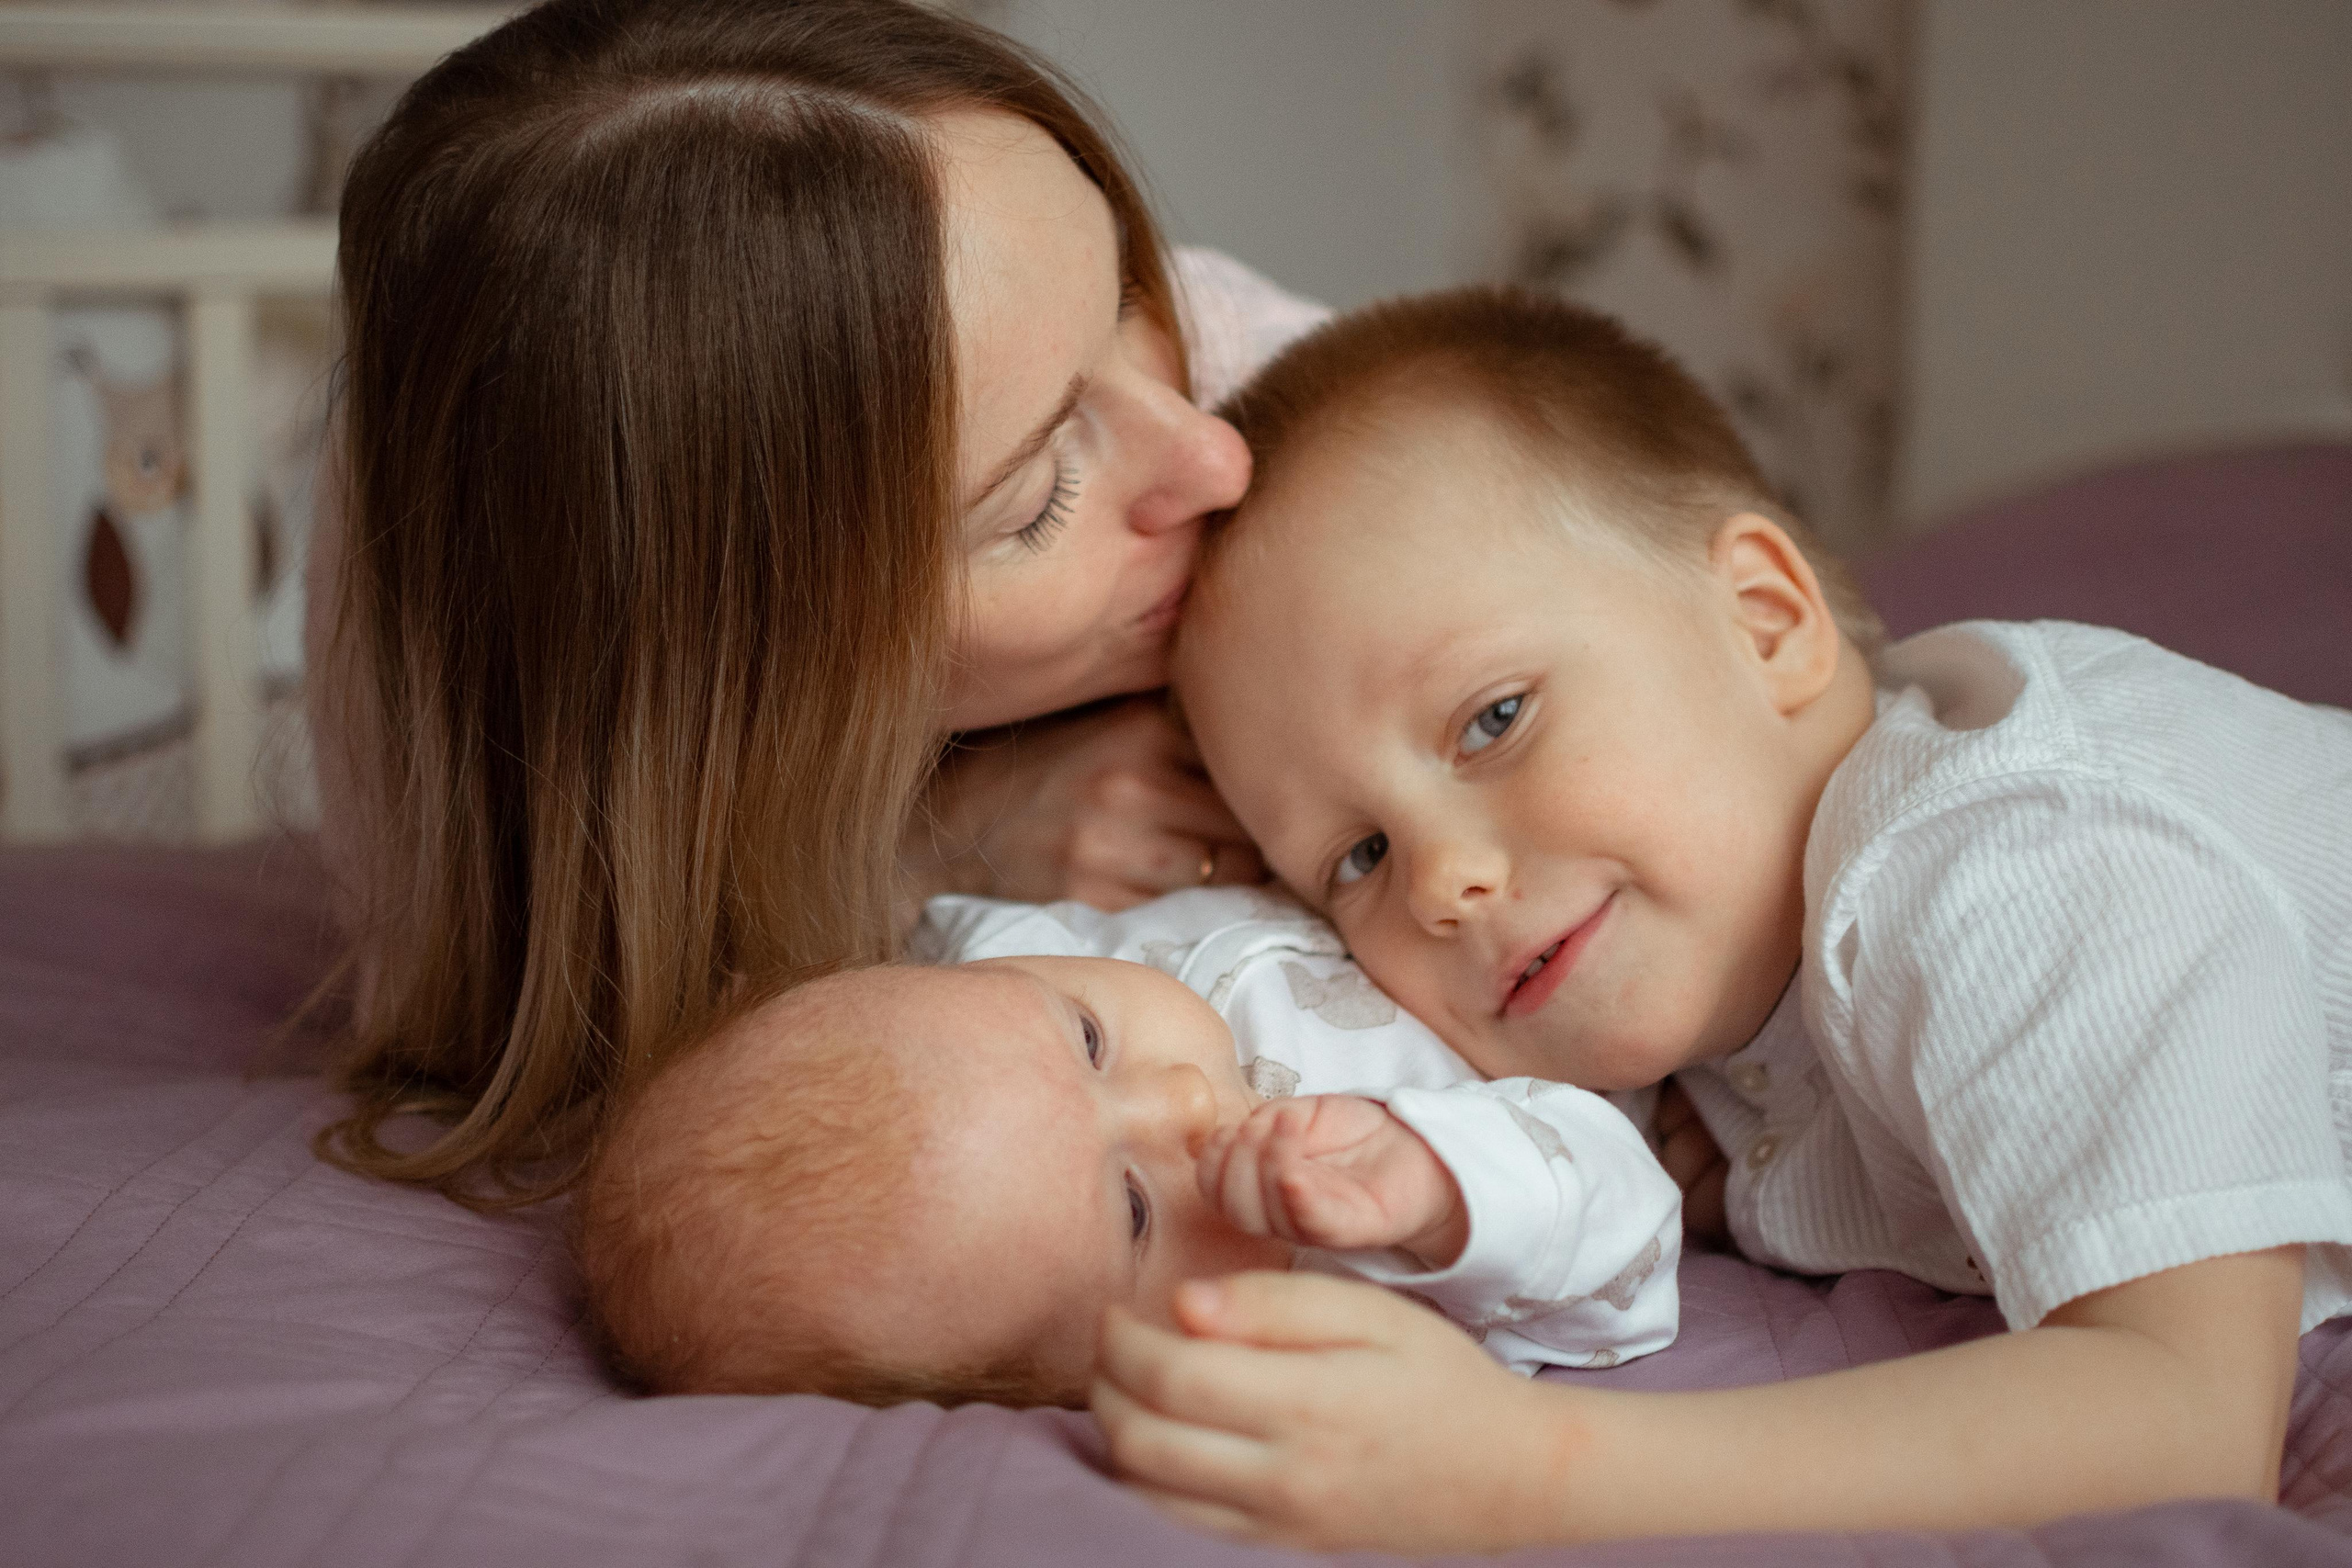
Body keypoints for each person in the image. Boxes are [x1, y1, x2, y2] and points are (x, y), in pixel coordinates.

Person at [1086, 286, 2352, 1548]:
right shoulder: (1727, 992)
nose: (1439, 880)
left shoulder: (2020, 859)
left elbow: (2182, 1416)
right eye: (1356, 853)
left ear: (1765, 621)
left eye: (1494, 717)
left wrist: (1528, 1466)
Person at [301, 0, 1326, 1204]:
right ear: (739, 662)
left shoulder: (1267, 384)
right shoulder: (463, 657)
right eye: (1037, 500)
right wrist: (947, 839)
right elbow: (534, 1006)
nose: (1214, 455)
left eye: (1136, 311)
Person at [572, 885, 1681, 1405]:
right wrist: (1438, 1194)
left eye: (1089, 1038)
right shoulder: (1329, 1286)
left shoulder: (995, 967)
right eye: (1134, 1210)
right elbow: (1629, 1237)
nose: (1183, 1103)